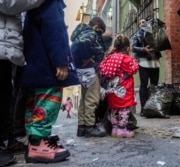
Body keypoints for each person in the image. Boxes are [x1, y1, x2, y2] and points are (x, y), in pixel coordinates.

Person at [15, 0, 79, 163]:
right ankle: (38, 143)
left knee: (33, 105)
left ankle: (35, 141)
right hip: (47, 67)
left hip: (34, 66)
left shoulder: (34, 4)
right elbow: (54, 30)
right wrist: (61, 60)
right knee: (48, 103)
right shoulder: (50, 3)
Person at [0, 0, 45, 166]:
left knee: (6, 95)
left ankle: (7, 140)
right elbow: (7, 3)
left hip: (6, 46)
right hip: (3, 44)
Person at [71, 17, 107, 138]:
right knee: (92, 99)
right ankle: (90, 127)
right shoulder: (92, 33)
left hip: (81, 70)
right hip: (91, 70)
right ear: (97, 27)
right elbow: (92, 47)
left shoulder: (79, 33)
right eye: (101, 31)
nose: (100, 34)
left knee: (84, 98)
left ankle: (81, 127)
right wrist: (93, 61)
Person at [99, 34, 139, 138]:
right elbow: (135, 68)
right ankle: (122, 129)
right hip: (124, 90)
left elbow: (102, 68)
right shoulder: (128, 59)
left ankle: (114, 129)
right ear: (127, 48)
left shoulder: (110, 57)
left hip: (112, 90)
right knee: (124, 110)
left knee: (114, 110)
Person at [132, 18, 162, 117]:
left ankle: (154, 107)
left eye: (143, 22)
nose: (141, 24)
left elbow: (161, 43)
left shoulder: (154, 33)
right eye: (140, 23)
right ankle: (144, 108)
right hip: (143, 62)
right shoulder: (137, 35)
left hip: (154, 61)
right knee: (143, 84)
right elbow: (133, 47)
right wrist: (143, 49)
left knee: (154, 85)